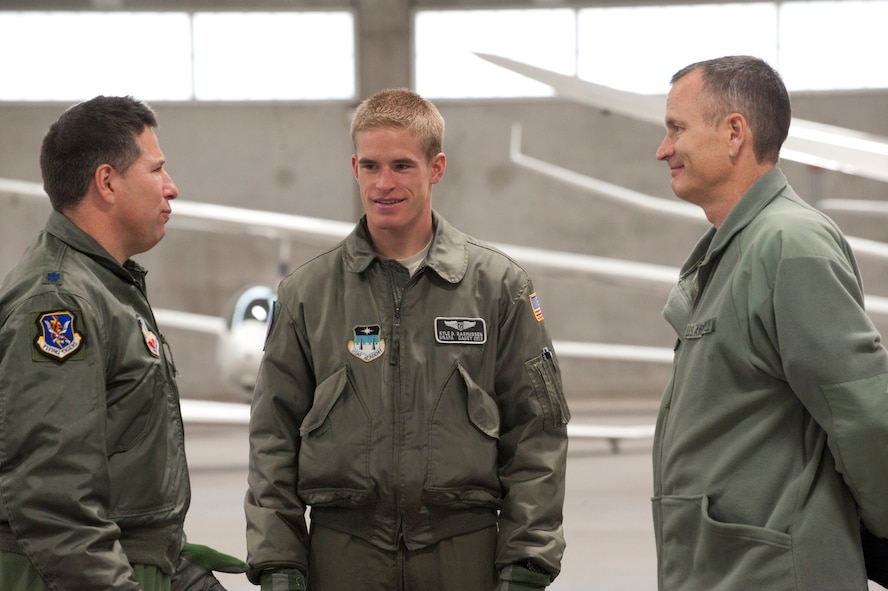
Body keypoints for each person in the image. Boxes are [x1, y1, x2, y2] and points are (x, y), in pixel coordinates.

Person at [244, 88, 570, 590]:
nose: (384, 184)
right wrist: (278, 560)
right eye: (371, 166)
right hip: (343, 553)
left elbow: (536, 434)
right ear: (354, 167)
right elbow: (272, 437)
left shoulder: (499, 287)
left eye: (402, 165)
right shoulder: (307, 293)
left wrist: (528, 560)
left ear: (436, 167)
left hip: (464, 553)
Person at [652, 56, 888, 589]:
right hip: (727, 569)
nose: (663, 150)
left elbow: (863, 413)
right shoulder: (736, 247)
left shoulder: (789, 245)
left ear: (735, 132)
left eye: (677, 129)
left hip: (773, 573)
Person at [0, 96, 242, 590]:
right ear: (107, 182)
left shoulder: (107, 286)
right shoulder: (60, 304)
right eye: (157, 170)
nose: (172, 188)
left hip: (135, 561)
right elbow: (53, 503)